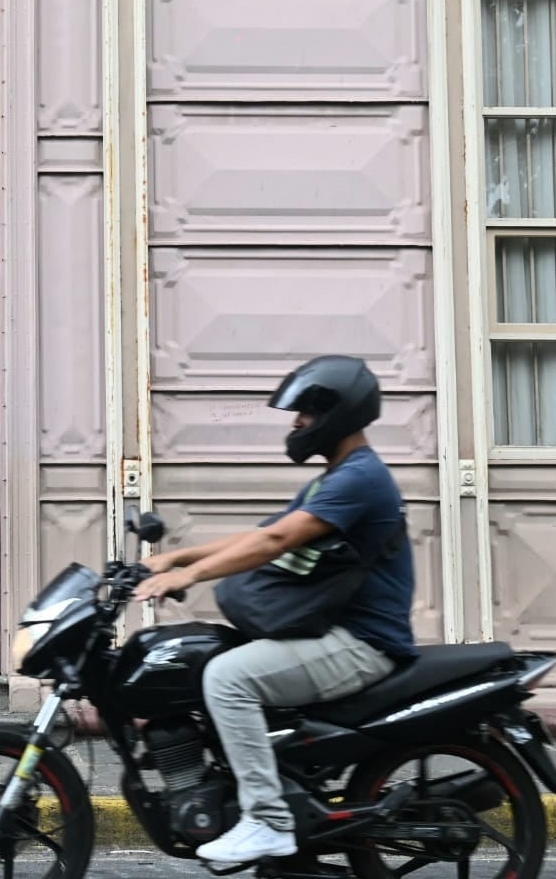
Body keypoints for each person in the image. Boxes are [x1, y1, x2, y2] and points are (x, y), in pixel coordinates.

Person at [133, 354, 417, 866]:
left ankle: (267, 820)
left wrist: (188, 576)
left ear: (338, 413)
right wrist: (177, 556)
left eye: (305, 413)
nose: (297, 423)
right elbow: (262, 535)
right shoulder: (337, 479)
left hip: (361, 643)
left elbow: (277, 540)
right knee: (213, 659)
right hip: (336, 632)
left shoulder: (359, 479)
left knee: (227, 678)